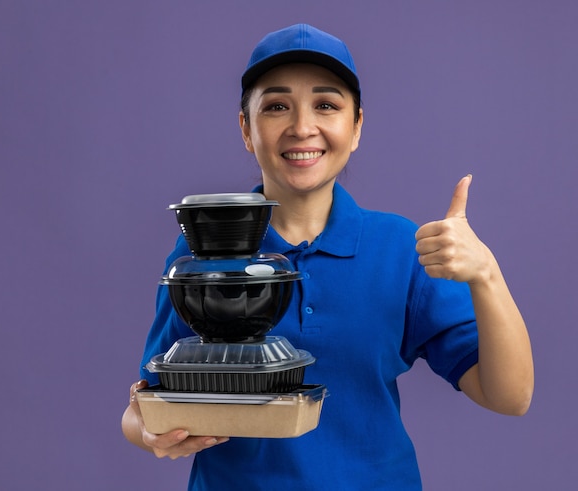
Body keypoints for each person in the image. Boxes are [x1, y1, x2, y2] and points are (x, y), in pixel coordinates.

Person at [122, 23, 534, 490]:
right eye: (276, 106)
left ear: (356, 126)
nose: (302, 127)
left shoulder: (400, 249)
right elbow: (144, 410)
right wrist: (155, 434)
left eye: (326, 105)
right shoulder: (202, 254)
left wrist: (487, 276)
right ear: (246, 128)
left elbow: (510, 396)